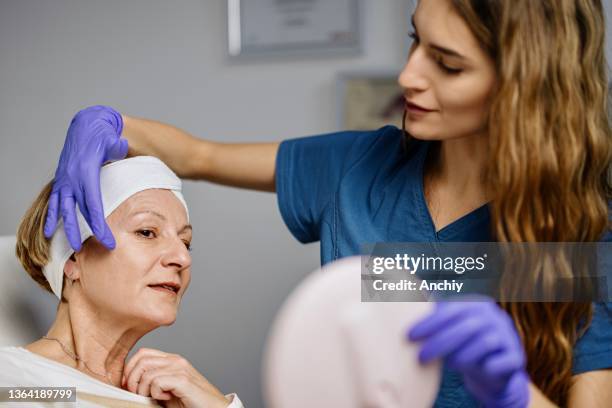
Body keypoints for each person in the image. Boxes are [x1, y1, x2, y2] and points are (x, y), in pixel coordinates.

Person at [43, 0, 611, 406]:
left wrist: (518, 397)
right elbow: (199, 156)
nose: (408, 75)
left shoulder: (587, 233)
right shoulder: (356, 170)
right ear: (72, 261)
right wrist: (107, 121)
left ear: (524, 86)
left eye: (449, 64)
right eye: (416, 41)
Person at [3, 156, 243, 407]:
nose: (182, 258)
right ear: (73, 260)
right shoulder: (15, 383)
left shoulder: (175, 398)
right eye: (147, 232)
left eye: (185, 242)